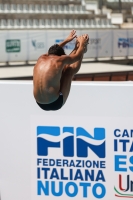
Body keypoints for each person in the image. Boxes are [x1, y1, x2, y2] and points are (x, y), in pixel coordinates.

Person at [33, 30, 89, 111]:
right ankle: (82, 49)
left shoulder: (41, 58)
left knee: (59, 70)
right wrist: (82, 44)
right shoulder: (60, 59)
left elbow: (50, 51)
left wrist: (66, 40)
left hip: (39, 103)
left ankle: (78, 47)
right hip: (56, 103)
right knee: (68, 70)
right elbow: (77, 57)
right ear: (61, 56)